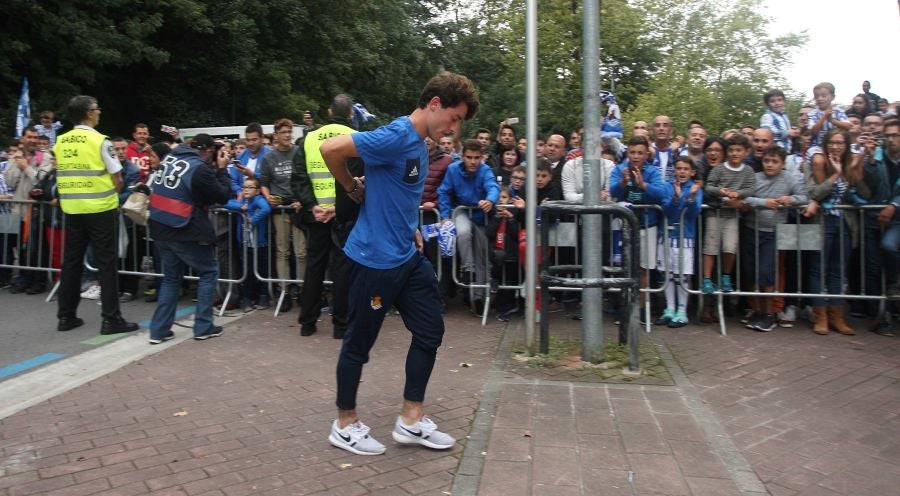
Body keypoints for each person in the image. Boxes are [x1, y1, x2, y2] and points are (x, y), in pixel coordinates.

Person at [320, 71, 479, 456]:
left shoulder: (421, 143)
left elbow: (400, 192)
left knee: (430, 330)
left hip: (407, 257)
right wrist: (351, 186)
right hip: (373, 261)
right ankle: (344, 424)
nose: (455, 128)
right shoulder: (396, 136)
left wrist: (412, 228)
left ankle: (411, 419)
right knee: (359, 344)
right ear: (435, 104)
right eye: (455, 118)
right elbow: (331, 149)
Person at [53, 95, 138, 335]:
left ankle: (66, 316)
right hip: (101, 208)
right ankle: (111, 319)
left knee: (71, 262)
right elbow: (117, 177)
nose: (99, 111)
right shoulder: (100, 141)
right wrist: (112, 192)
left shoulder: (61, 141)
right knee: (107, 264)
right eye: (96, 109)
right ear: (89, 113)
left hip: (73, 208)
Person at [146, 133, 232, 344]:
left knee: (171, 278)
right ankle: (203, 326)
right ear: (208, 151)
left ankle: (158, 331)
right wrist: (222, 169)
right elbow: (222, 196)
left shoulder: (170, 159)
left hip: (160, 226)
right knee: (208, 272)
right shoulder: (199, 168)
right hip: (183, 227)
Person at [295, 95, 359, 338]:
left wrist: (312, 205)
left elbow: (299, 177)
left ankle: (307, 323)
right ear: (351, 113)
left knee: (314, 266)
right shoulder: (355, 138)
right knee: (341, 268)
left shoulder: (309, 138)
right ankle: (341, 326)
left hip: (317, 214)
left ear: (330, 112)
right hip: (342, 214)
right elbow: (355, 180)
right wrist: (338, 208)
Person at [739, 146, 808, 332]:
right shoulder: (755, 178)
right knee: (751, 272)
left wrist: (790, 200)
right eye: (766, 161)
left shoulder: (790, 178)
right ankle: (756, 311)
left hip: (774, 232)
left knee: (767, 272)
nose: (770, 165)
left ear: (782, 163)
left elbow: (804, 197)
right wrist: (764, 203)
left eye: (774, 161)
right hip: (752, 229)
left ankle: (769, 314)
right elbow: (744, 198)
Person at [804, 128, 860, 336]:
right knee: (818, 268)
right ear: (825, 144)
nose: (835, 147)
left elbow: (863, 192)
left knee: (838, 269)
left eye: (840, 143)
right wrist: (835, 174)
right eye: (831, 143)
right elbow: (814, 192)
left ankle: (837, 316)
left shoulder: (850, 164)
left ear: (846, 146)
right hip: (822, 221)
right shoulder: (815, 163)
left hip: (845, 222)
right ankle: (821, 316)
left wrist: (851, 169)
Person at [609, 136, 671, 320]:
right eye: (632, 152)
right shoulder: (619, 169)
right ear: (627, 153)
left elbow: (661, 193)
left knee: (643, 268)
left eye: (640, 153)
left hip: (647, 224)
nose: (636, 156)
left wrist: (643, 185)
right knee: (625, 267)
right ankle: (625, 306)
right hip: (624, 226)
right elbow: (612, 191)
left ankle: (642, 308)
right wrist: (622, 182)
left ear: (646, 154)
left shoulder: (652, 171)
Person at [437, 138, 500, 314]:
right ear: (462, 156)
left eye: (476, 158)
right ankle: (467, 269)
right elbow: (443, 192)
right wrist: (444, 216)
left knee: (482, 256)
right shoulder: (453, 169)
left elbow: (493, 186)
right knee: (462, 232)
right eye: (469, 157)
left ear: (481, 157)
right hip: (462, 211)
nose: (473, 161)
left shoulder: (485, 170)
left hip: (481, 216)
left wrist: (490, 200)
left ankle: (479, 298)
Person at [259, 118, 305, 311]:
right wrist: (268, 197)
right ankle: (284, 291)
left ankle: (303, 290)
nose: (287, 135)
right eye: (283, 132)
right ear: (276, 135)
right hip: (280, 208)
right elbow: (263, 183)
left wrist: (303, 200)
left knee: (301, 252)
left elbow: (307, 178)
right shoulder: (269, 157)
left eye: (289, 132)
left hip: (298, 206)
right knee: (282, 251)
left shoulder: (299, 152)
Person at [701, 134, 756, 294]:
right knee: (710, 247)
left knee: (730, 247)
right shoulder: (719, 169)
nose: (734, 153)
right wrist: (721, 191)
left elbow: (751, 188)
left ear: (745, 152)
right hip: (715, 213)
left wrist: (738, 194)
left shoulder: (748, 171)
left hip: (732, 214)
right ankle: (707, 279)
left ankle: (726, 276)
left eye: (738, 150)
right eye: (731, 150)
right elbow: (709, 186)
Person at [861, 119, 900, 337]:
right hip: (873, 219)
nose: (891, 140)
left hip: (896, 220)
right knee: (873, 268)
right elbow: (869, 185)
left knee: (888, 247)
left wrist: (894, 205)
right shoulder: (878, 156)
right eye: (888, 136)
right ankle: (880, 315)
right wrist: (870, 160)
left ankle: (895, 285)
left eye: (895, 136)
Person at [655, 156, 702, 328]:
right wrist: (676, 198)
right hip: (666, 235)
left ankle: (682, 311)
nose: (682, 172)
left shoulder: (695, 188)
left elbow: (693, 212)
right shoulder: (667, 186)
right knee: (668, 273)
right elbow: (666, 209)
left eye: (685, 169)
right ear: (674, 170)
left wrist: (690, 196)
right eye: (679, 168)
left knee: (682, 274)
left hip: (684, 237)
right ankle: (670, 308)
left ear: (692, 172)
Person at [224, 177, 271, 312]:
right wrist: (240, 207)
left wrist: (253, 219)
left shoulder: (258, 199)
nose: (246, 190)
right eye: (244, 187)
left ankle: (263, 296)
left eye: (250, 187)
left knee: (262, 271)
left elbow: (266, 208)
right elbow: (227, 203)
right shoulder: (243, 201)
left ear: (257, 191)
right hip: (246, 244)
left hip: (260, 244)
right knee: (247, 272)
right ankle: (247, 298)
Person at [807, 82, 852, 149]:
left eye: (823, 96)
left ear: (832, 97)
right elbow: (813, 131)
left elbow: (849, 126)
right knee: (817, 156)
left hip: (837, 146)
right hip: (818, 146)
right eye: (816, 97)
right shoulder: (813, 114)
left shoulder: (838, 111)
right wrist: (824, 116)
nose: (819, 99)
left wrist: (832, 120)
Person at [760, 89, 797, 153]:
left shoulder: (784, 116)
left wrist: (794, 131)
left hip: (788, 150)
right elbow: (766, 134)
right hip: (775, 151)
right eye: (772, 101)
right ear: (768, 104)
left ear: (784, 101)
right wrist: (786, 133)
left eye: (779, 100)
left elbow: (788, 131)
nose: (777, 103)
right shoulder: (767, 116)